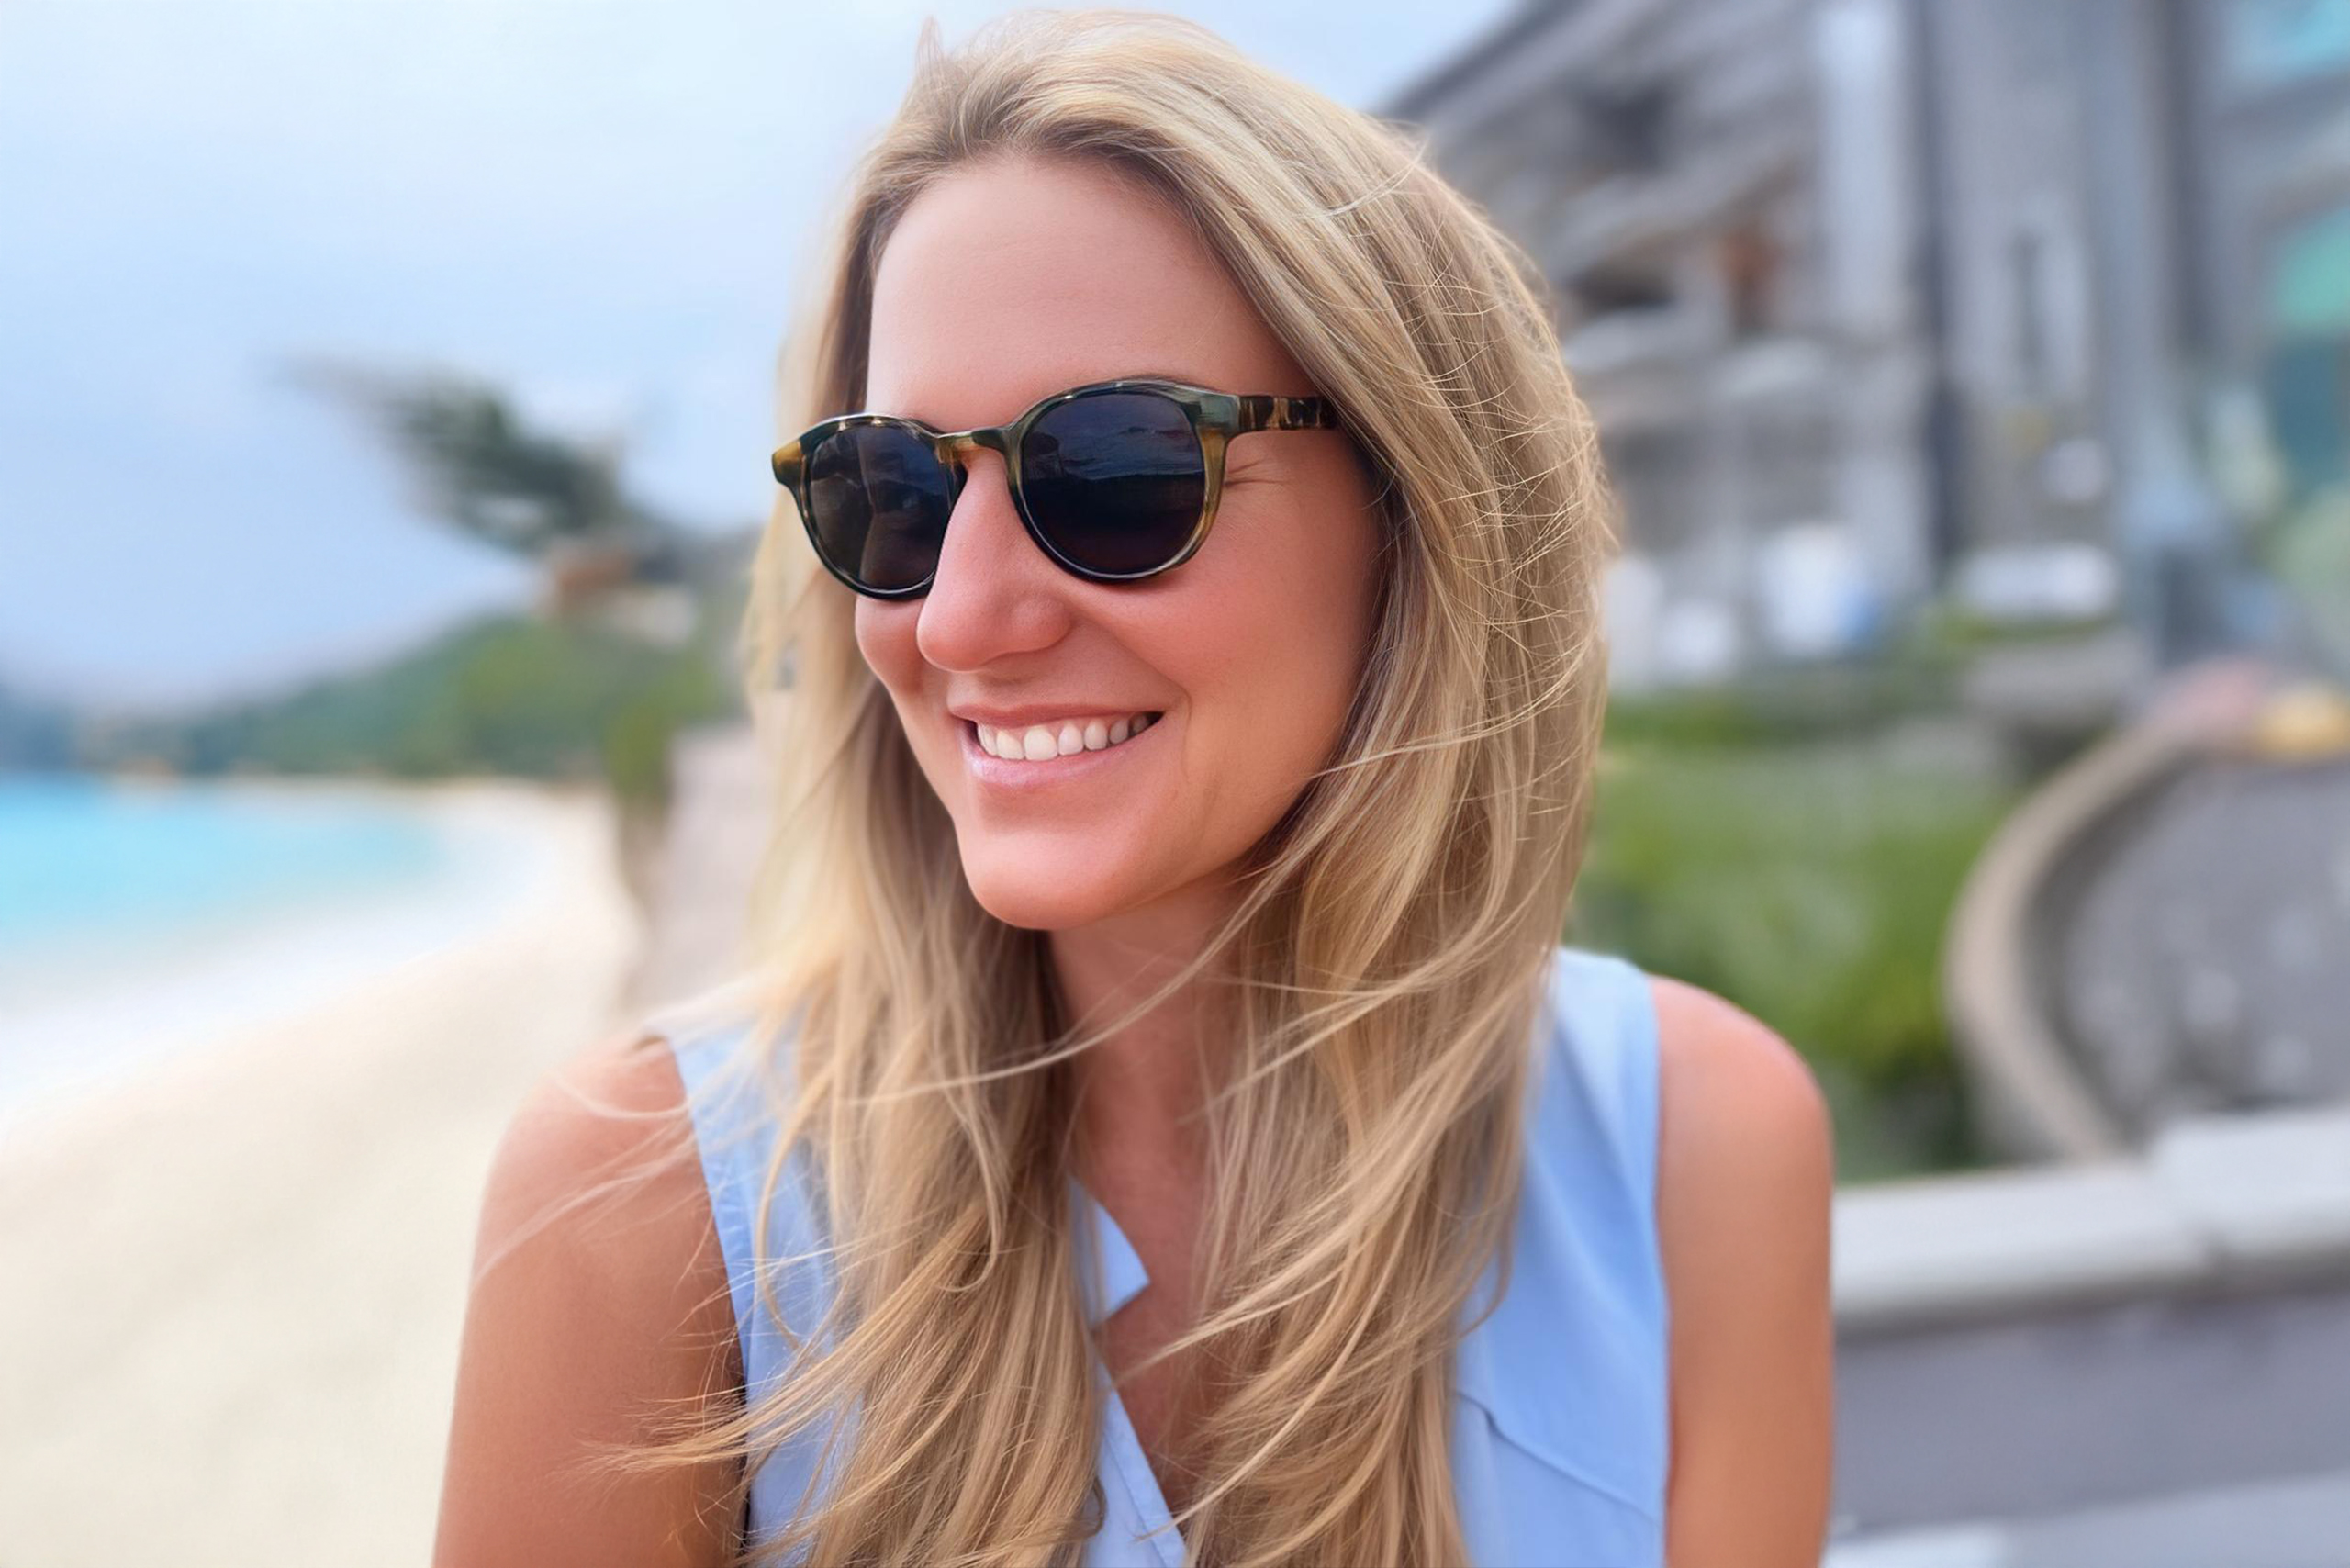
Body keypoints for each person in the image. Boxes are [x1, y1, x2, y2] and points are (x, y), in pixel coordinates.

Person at [433, 12, 1834, 1567]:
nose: (957, 619)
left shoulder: (1692, 1151)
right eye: (888, 491)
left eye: (1112, 474)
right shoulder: (648, 1205)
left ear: (1413, 511)